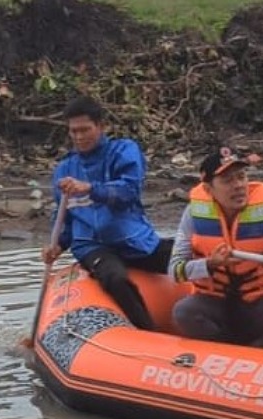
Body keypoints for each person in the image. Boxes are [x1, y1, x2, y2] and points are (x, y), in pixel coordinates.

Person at [41, 96, 172, 330]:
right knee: (115, 278)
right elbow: (64, 219)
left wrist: (91, 188)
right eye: (73, 132)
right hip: (92, 245)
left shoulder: (124, 151)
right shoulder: (64, 169)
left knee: (190, 257)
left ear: (101, 126)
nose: (79, 137)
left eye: (85, 130)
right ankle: (149, 333)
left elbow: (128, 192)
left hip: (133, 240)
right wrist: (57, 246)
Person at [168, 147, 263, 351]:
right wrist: (210, 264)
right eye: (227, 180)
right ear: (208, 189)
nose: (238, 186)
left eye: (242, 177)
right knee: (184, 312)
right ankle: (230, 353)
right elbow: (175, 271)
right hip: (216, 306)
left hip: (260, 304)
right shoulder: (193, 215)